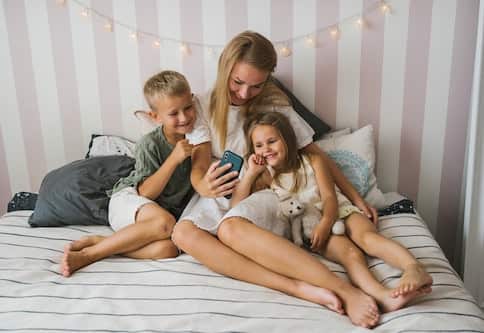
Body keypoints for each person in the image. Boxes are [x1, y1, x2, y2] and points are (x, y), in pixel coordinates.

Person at [171, 30, 382, 328]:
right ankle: (297, 287)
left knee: (230, 231)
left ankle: (344, 290)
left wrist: (358, 198)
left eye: (256, 86)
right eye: (238, 83)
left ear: (268, 79)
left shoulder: (273, 105)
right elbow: (199, 163)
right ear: (224, 69)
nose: (245, 94)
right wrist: (201, 184)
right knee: (182, 234)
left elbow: (316, 155)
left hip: (263, 189)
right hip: (220, 191)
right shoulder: (202, 105)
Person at [232, 110, 433, 313]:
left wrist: (327, 222)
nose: (266, 149)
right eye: (259, 145)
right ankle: (382, 296)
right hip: (312, 227)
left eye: (272, 141)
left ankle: (413, 267)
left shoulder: (312, 160)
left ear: (287, 138)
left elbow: (329, 197)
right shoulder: (266, 176)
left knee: (367, 238)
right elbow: (236, 209)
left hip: (339, 211)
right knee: (351, 254)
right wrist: (250, 174)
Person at [61, 70, 196, 277]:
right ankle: (90, 255)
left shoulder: (199, 139)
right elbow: (146, 193)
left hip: (157, 219)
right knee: (165, 223)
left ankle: (104, 243)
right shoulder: (149, 144)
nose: (184, 117)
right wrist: (174, 159)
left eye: (188, 108)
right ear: (155, 117)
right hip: (130, 200)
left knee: (167, 250)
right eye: (173, 113)